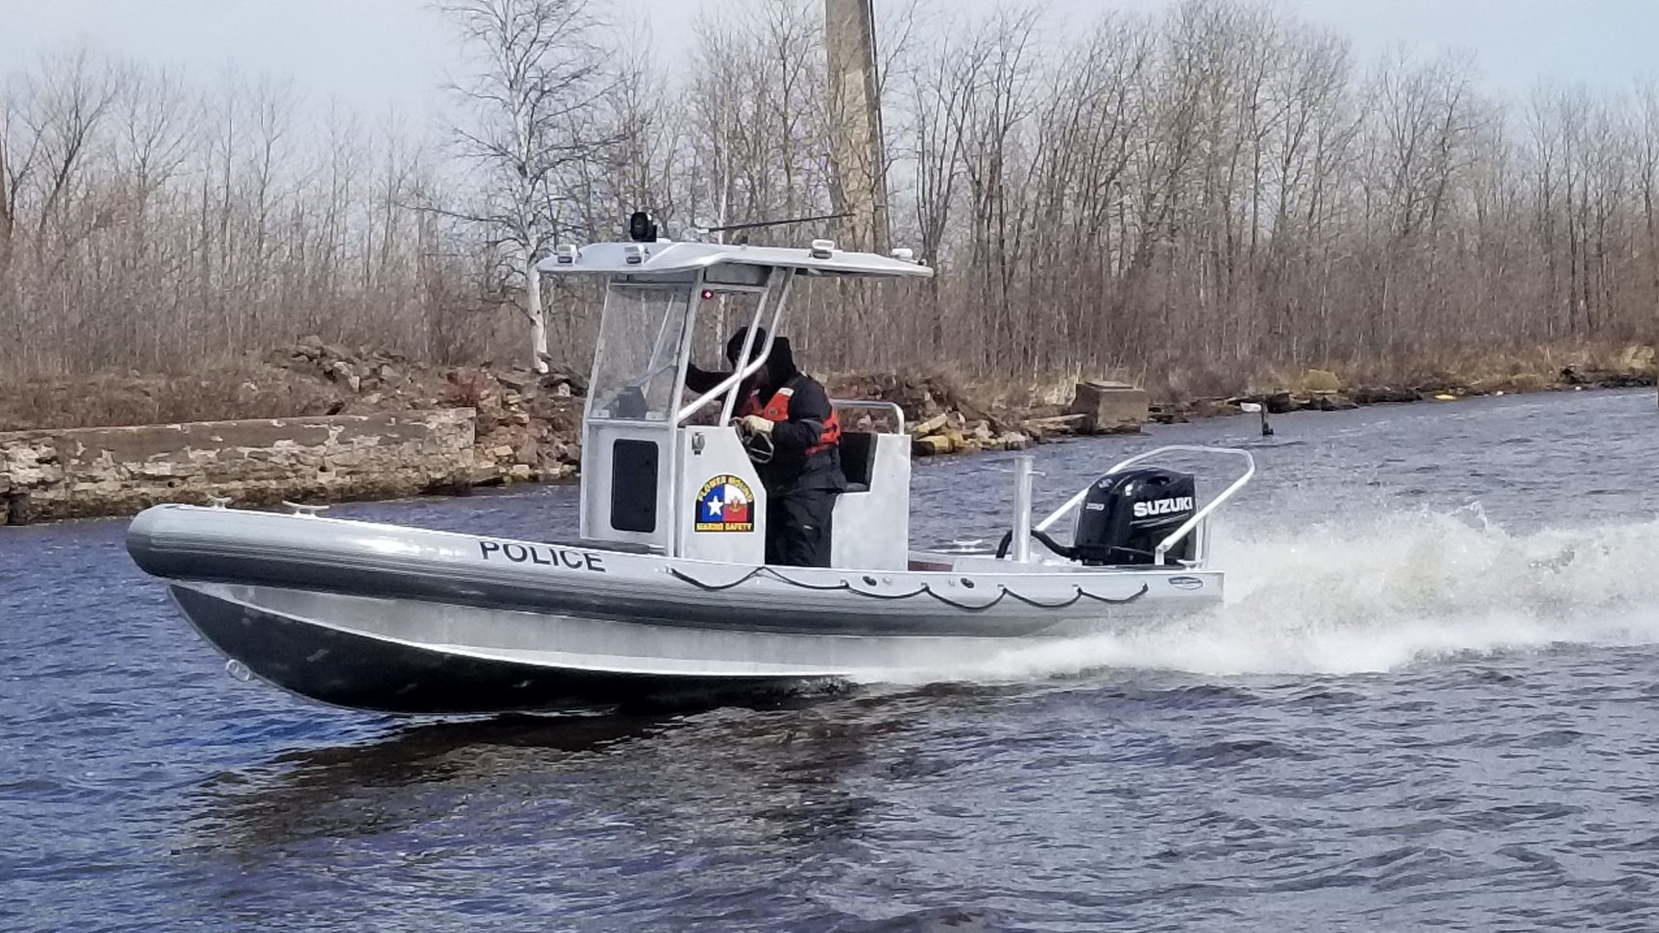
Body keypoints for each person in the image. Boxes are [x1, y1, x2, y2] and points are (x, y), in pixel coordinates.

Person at [686, 327, 845, 567]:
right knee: (767, 544)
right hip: (770, 481)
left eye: (750, 364)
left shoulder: (806, 391)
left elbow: (810, 434)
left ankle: (807, 591)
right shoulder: (748, 389)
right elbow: (702, 382)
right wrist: (677, 357)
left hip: (810, 480)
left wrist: (769, 427)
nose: (747, 372)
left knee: (800, 544)